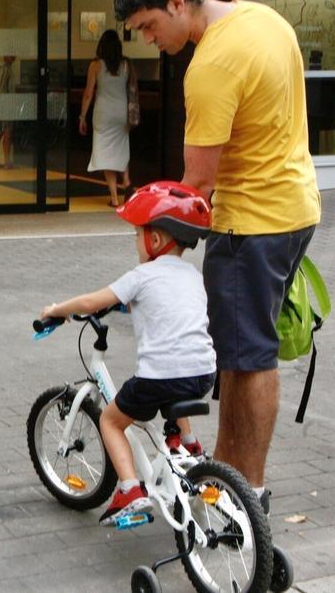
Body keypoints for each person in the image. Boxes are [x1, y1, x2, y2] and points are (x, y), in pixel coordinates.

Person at [113, 0, 321, 511]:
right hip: (297, 209)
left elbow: (196, 189)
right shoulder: (264, 19)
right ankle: (234, 482)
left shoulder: (210, 67)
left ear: (178, 2)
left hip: (249, 224)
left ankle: (239, 498)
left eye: (150, 27)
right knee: (247, 351)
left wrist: (155, 256)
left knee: (246, 359)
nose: (151, 41)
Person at [39, 181, 216, 526]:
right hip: (203, 373)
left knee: (111, 419)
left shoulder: (142, 275)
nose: (135, 241)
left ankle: (130, 488)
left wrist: (56, 309)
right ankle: (190, 445)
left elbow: (91, 303)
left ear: (155, 240)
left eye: (137, 234)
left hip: (159, 378)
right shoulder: (193, 275)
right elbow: (166, 308)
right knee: (178, 375)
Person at [78, 30, 136, 207]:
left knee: (104, 153)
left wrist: (82, 117)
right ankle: (126, 182)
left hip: (103, 113)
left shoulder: (96, 65)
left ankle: (114, 198)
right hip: (121, 112)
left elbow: (89, 93)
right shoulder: (126, 64)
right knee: (120, 148)